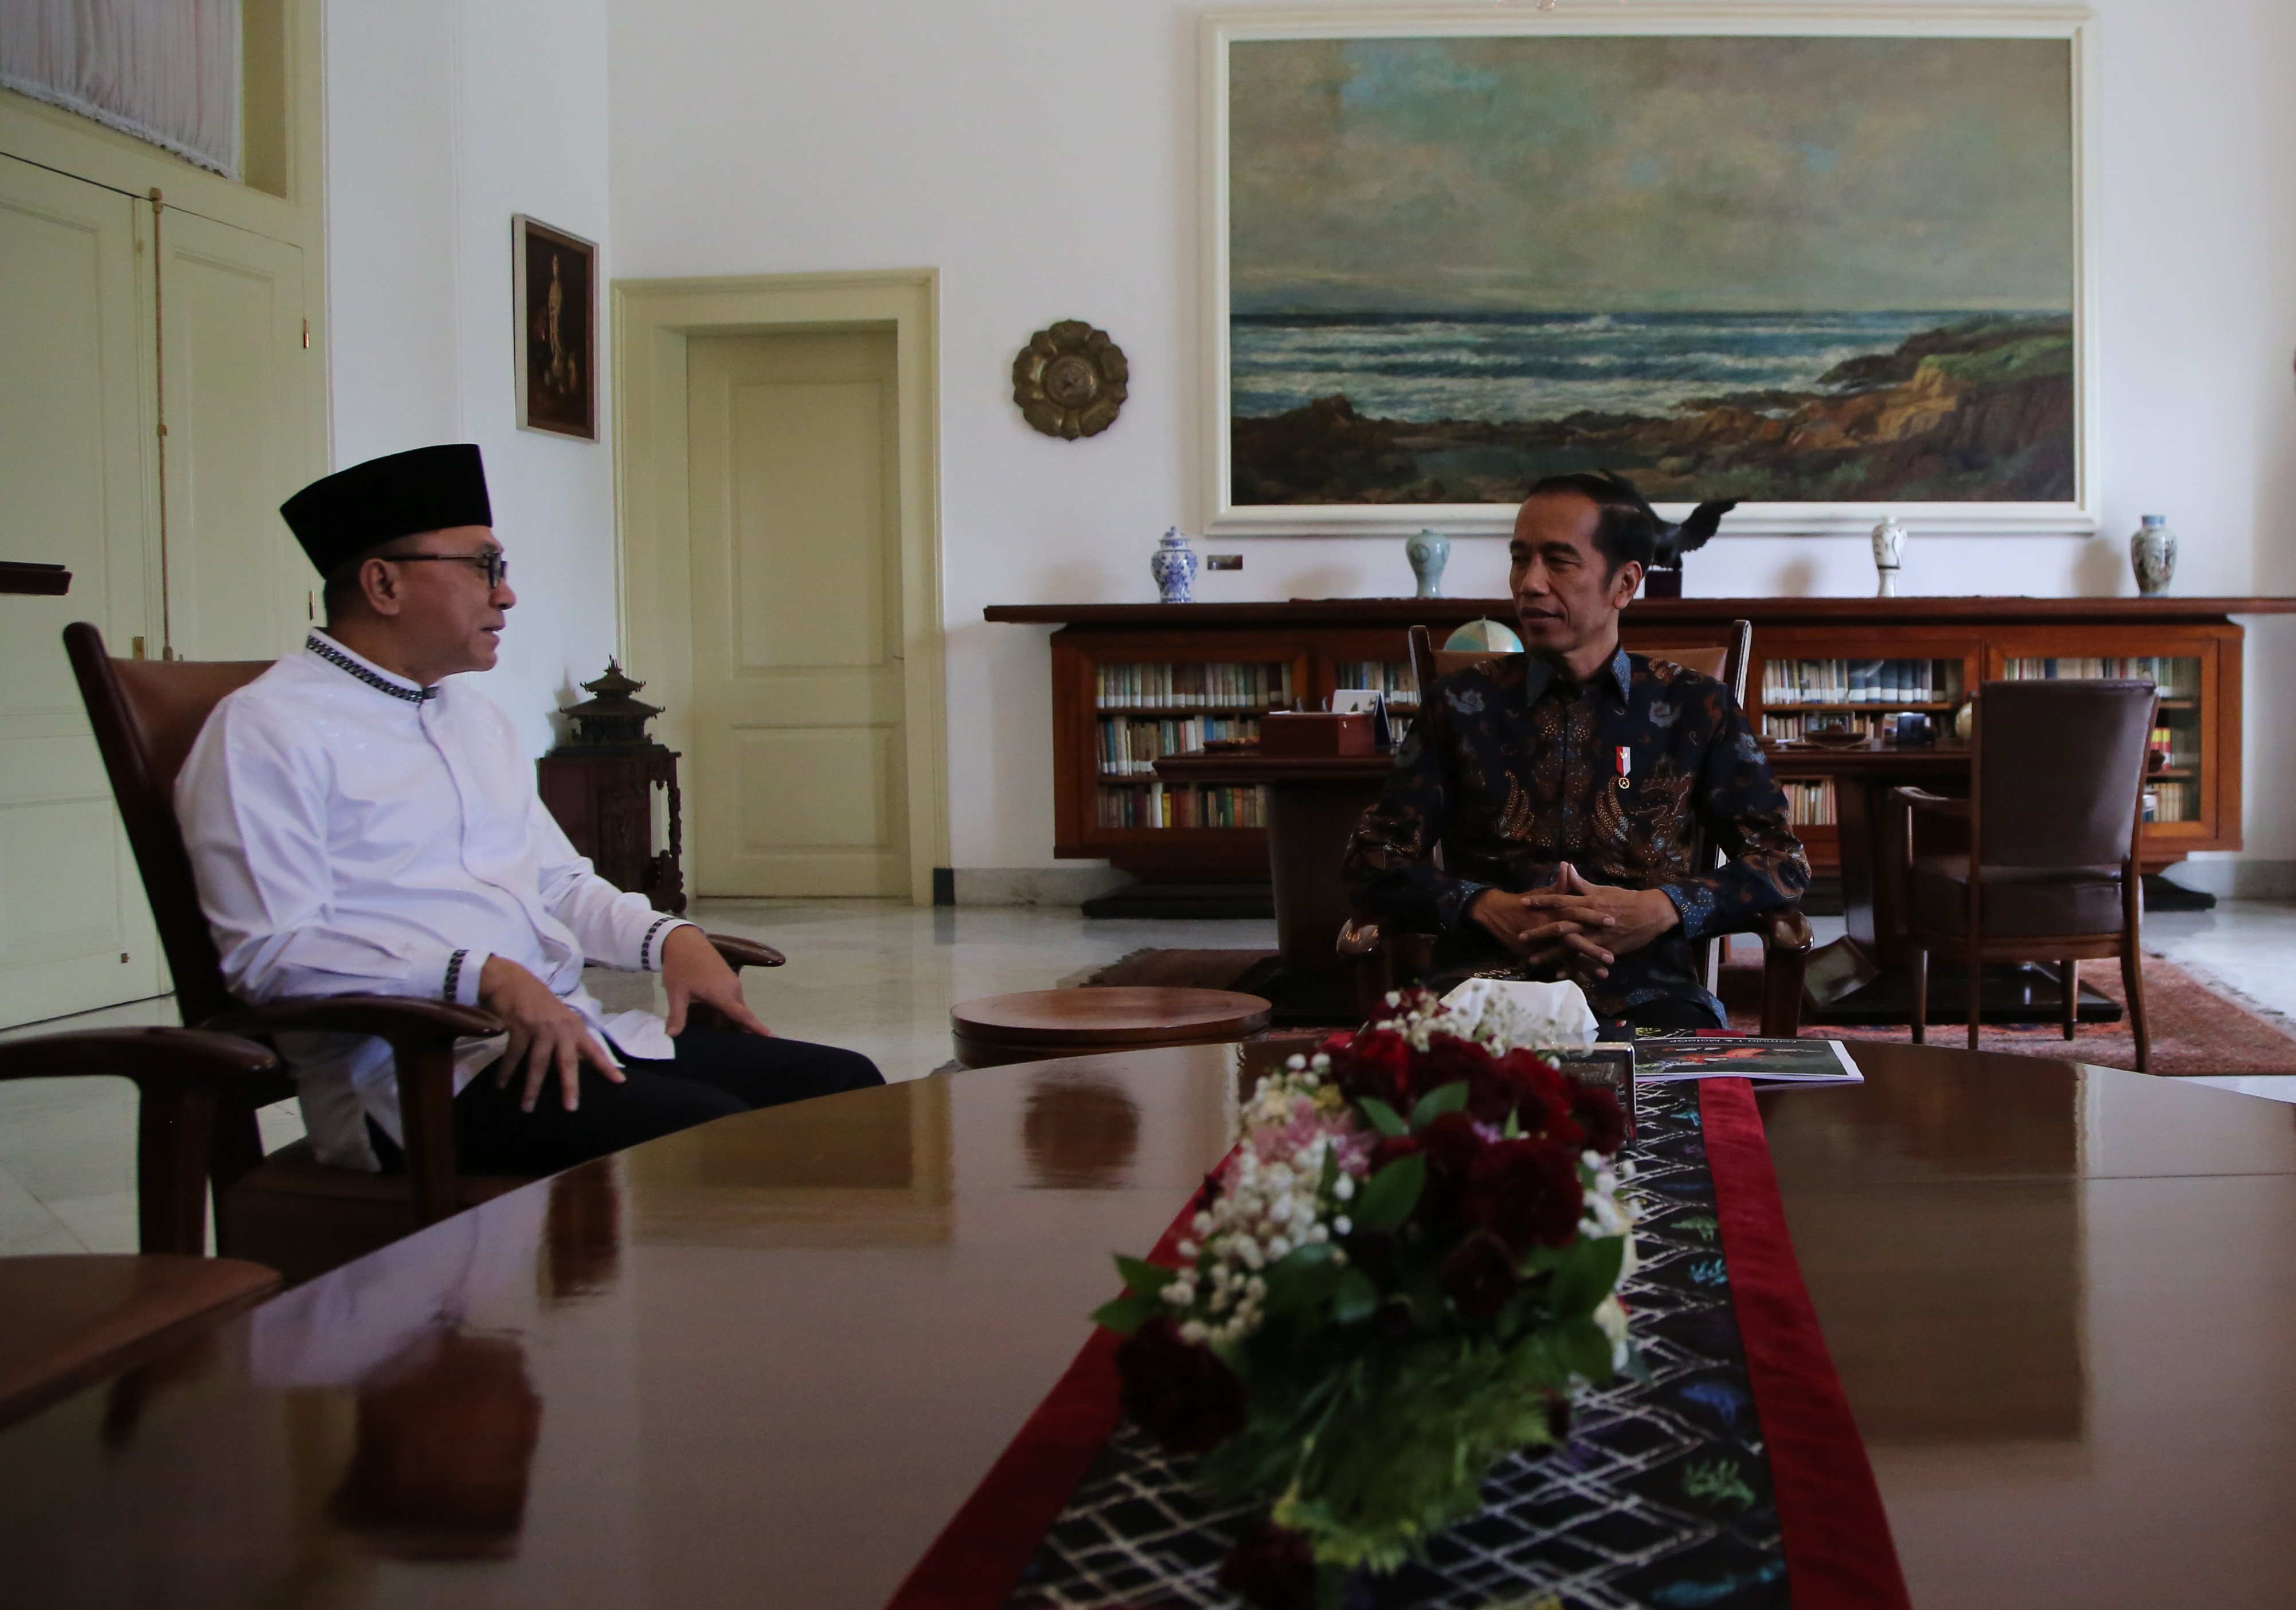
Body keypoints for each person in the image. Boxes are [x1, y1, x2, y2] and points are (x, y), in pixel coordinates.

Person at [177, 443, 882, 1177]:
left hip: (562, 1036)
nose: (506, 595)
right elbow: (271, 954)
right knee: (714, 1142)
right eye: (483, 567)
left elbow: (557, 884)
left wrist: (669, 937)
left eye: (501, 569)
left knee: (840, 1088)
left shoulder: (471, 717)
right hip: (418, 1082)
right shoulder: (265, 728)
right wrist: (484, 974)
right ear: (383, 583)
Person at [1341, 471, 1809, 1032]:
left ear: (1625, 584)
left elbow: (1782, 861)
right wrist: (1485, 906)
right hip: (1479, 993)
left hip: (1646, 995)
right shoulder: (1462, 705)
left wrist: (1661, 908)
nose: (1530, 583)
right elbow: (1371, 857)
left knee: (1693, 1108)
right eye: (1521, 559)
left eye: (1559, 561)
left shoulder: (1696, 707)